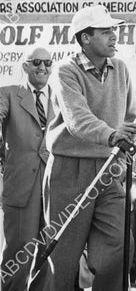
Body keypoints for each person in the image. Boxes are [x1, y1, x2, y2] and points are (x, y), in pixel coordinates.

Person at [42, 5, 136, 291]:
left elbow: (130, 115)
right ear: (85, 38)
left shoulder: (120, 68)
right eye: (106, 31)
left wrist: (126, 140)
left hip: (109, 170)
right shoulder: (65, 70)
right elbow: (77, 119)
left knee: (119, 244)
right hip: (68, 169)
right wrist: (112, 135)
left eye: (114, 30)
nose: (114, 35)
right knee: (62, 258)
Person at [0, 47, 53, 291]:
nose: (43, 67)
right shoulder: (9, 93)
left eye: (48, 63)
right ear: (25, 66)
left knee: (49, 255)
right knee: (18, 255)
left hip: (54, 189)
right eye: (36, 62)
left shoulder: (62, 97)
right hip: (21, 188)